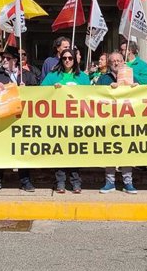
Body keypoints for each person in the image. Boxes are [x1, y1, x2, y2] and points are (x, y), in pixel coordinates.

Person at [0, 45, 38, 192]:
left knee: (22, 149)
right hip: (1, 119)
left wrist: (26, 90)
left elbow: (39, 94)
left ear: (16, 60)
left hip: (22, 120)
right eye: (3, 58)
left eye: (8, 58)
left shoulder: (27, 75)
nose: (5, 60)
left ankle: (25, 180)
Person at [41, 47, 87, 193]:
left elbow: (91, 97)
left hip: (77, 122)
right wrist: (51, 90)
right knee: (60, 153)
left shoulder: (83, 77)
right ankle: (60, 182)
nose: (67, 60)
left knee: (75, 153)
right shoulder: (53, 75)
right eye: (64, 58)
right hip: (58, 122)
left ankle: (76, 182)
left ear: (75, 60)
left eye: (70, 58)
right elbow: (40, 92)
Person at [96, 51, 138, 194]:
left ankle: (128, 182)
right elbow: (94, 96)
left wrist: (135, 86)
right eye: (113, 61)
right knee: (110, 151)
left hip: (127, 121)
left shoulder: (132, 76)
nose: (116, 63)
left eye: (118, 60)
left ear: (123, 62)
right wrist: (108, 89)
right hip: (109, 122)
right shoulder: (103, 79)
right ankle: (110, 182)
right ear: (109, 64)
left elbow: (144, 91)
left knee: (126, 151)